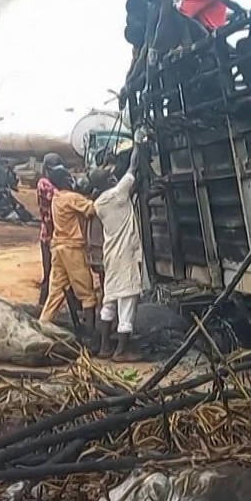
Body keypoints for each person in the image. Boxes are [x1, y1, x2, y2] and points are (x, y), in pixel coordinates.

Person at [89, 141, 147, 361]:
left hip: (111, 256)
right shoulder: (117, 195)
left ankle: (105, 347)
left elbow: (110, 181)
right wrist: (138, 145)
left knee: (109, 301)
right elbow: (132, 168)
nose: (114, 177)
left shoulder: (99, 203)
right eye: (110, 177)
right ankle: (121, 351)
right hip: (125, 257)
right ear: (108, 182)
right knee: (128, 302)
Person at [38, 166, 99, 340]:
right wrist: (96, 194)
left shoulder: (56, 198)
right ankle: (90, 336)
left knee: (56, 292)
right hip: (73, 249)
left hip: (58, 248)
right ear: (66, 180)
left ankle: (42, 324)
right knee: (87, 294)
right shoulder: (72, 198)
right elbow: (92, 209)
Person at [36, 152, 63, 305]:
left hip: (60, 237)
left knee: (67, 275)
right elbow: (58, 197)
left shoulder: (55, 183)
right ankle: (42, 304)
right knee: (48, 272)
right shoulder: (43, 183)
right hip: (48, 235)